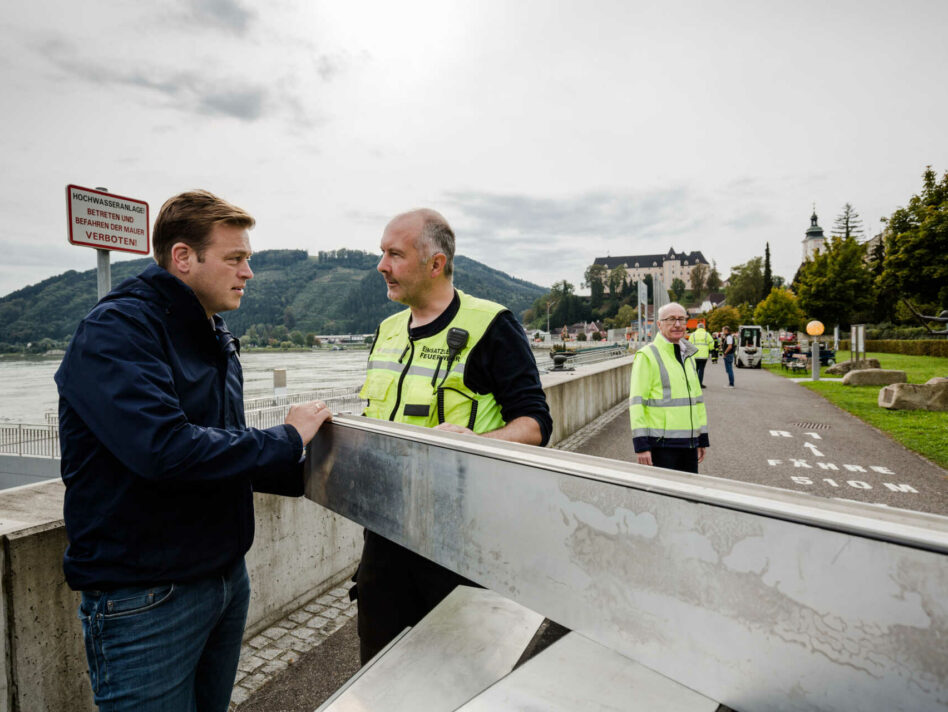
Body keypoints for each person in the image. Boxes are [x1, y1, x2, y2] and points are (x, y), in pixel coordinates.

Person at [55, 190, 333, 712]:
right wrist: (286, 438)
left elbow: (222, 449)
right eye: (235, 258)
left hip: (224, 579)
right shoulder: (116, 329)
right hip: (146, 597)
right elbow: (164, 449)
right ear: (183, 257)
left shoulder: (214, 332)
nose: (248, 272)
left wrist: (313, 468)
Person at [353, 208, 553, 663]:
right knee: (381, 667)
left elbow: (535, 423)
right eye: (381, 253)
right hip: (386, 535)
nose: (381, 265)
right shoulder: (386, 332)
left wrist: (474, 443)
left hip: (461, 541)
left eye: (394, 254)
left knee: (461, 670)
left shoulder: (492, 325)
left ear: (435, 263)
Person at [628, 302, 708, 473]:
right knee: (662, 499)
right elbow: (637, 403)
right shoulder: (647, 355)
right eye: (671, 319)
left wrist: (701, 439)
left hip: (689, 443)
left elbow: (697, 401)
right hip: (661, 445)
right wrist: (641, 445)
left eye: (681, 319)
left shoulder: (688, 356)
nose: (677, 324)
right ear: (659, 324)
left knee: (688, 497)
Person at [687, 321, 714, 387]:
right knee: (701, 370)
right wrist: (710, 349)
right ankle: (700, 384)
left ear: (697, 327)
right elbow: (711, 343)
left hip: (694, 355)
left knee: (695, 370)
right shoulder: (707, 334)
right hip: (704, 356)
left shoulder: (693, 334)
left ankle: (694, 384)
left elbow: (689, 344)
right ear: (704, 327)